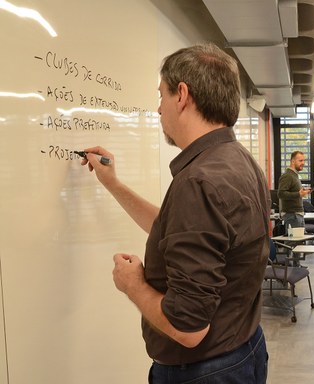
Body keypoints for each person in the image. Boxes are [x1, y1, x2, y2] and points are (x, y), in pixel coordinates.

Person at [80, 43, 269, 383]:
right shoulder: (236, 160)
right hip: (244, 349)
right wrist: (113, 184)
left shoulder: (198, 181)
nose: (158, 109)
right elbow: (184, 232)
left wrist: (133, 285)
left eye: (161, 96)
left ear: (182, 95)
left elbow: (189, 327)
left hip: (205, 371)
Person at [278, 151, 312, 234]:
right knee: (293, 245)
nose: (303, 163)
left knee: (299, 244)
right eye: (300, 161)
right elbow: (281, 194)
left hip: (297, 214)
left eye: (304, 160)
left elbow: (293, 192)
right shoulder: (288, 175)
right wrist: (298, 194)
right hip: (292, 215)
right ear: (293, 161)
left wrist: (302, 192)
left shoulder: (294, 175)